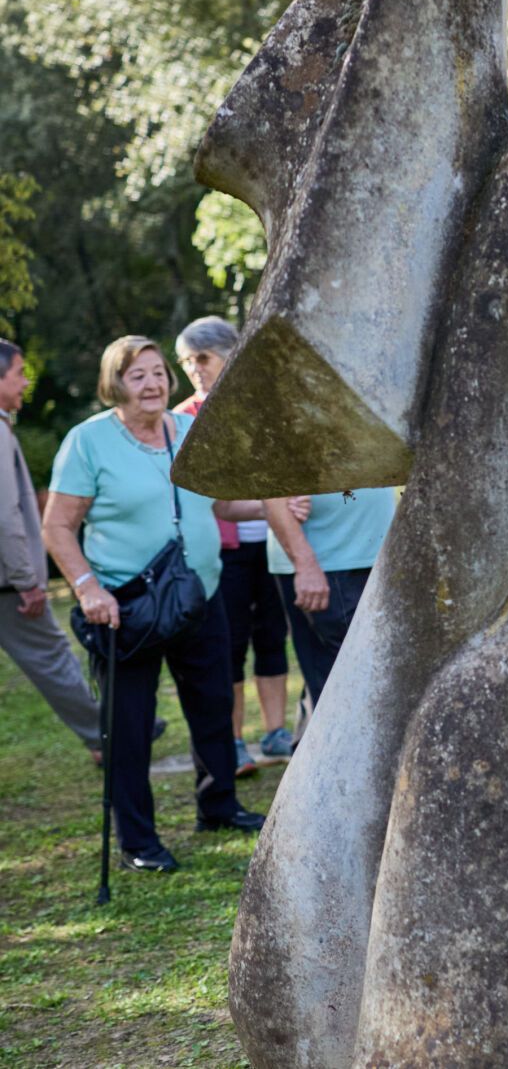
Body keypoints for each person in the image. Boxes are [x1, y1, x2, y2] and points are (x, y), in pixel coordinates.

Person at [43, 336, 267, 873]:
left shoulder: (190, 431)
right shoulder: (88, 441)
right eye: (137, 375)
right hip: (126, 607)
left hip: (200, 595)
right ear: (114, 383)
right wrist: (87, 589)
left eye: (158, 372)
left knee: (214, 706)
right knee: (130, 725)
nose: (152, 384)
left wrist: (278, 501)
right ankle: (138, 842)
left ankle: (218, 805)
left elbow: (223, 503)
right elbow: (57, 526)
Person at [175, 316, 294, 775]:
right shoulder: (183, 418)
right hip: (222, 551)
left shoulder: (268, 407)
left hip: (272, 543)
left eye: (202, 358)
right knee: (230, 646)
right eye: (186, 361)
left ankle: (276, 731)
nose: (194, 369)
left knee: (272, 637)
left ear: (231, 353)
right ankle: (235, 742)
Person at [0, 340, 103, 757]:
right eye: (20, 372)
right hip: (9, 583)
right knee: (54, 656)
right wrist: (27, 579)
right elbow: (6, 515)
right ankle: (107, 735)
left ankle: (104, 733)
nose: (26, 381)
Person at [265, 482, 397, 710]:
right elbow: (270, 493)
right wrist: (305, 565)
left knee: (382, 681)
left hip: (375, 558)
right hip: (328, 565)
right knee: (347, 692)